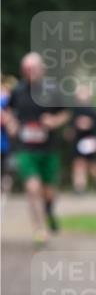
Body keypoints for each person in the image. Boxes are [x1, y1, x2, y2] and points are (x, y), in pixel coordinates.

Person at [7, 53, 70, 244]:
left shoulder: (52, 90)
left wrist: (54, 121)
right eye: (26, 69)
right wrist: (11, 123)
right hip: (26, 148)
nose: (30, 72)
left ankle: (49, 210)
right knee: (33, 188)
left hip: (49, 149)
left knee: (49, 192)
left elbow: (66, 113)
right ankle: (39, 229)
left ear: (42, 69)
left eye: (33, 68)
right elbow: (9, 111)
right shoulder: (17, 91)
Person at [69, 83, 96, 193]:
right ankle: (80, 187)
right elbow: (73, 126)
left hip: (89, 141)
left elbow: (95, 125)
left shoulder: (92, 111)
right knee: (79, 163)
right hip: (78, 140)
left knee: (91, 164)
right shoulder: (75, 111)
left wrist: (87, 125)